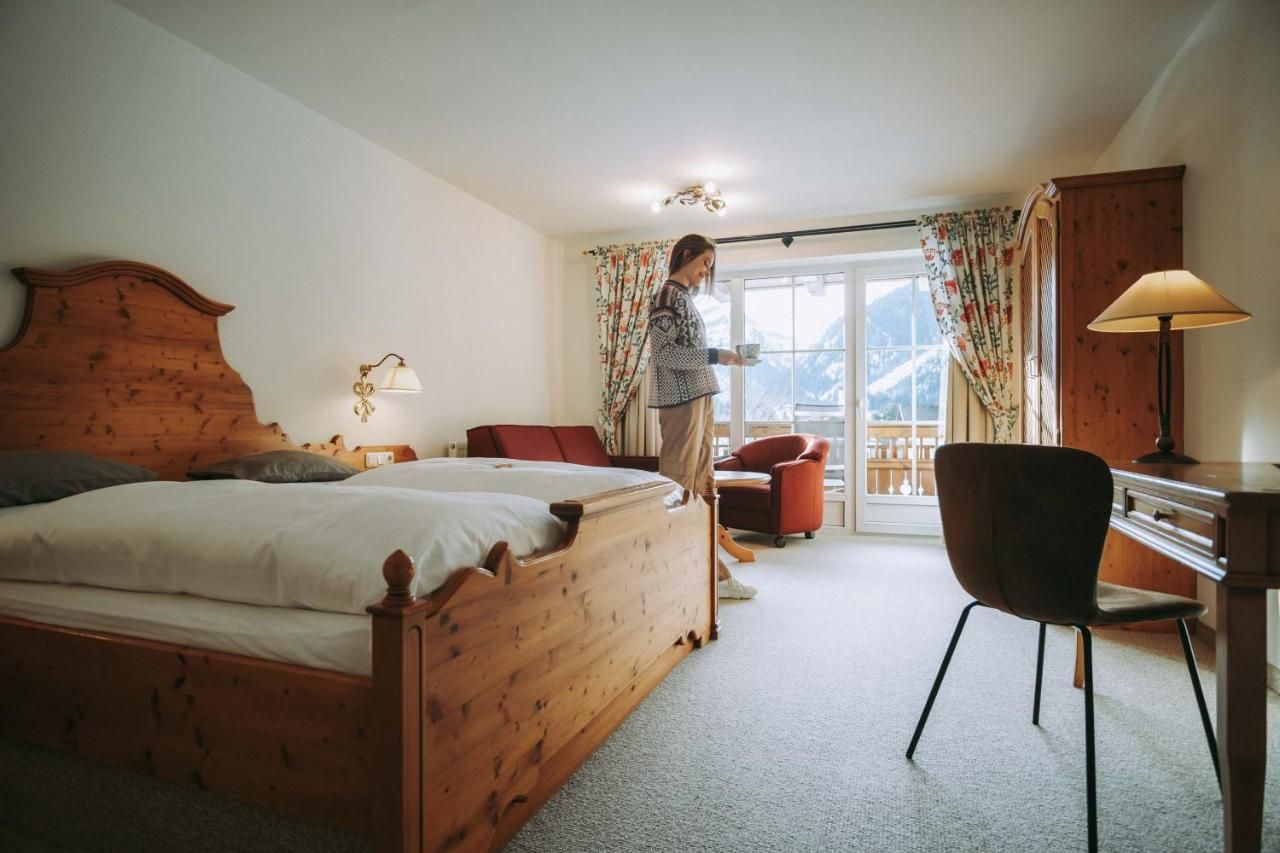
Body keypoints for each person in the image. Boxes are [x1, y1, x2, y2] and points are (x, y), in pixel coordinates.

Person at [648, 233, 757, 600]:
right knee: (680, 485)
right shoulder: (667, 296)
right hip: (681, 401)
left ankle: (714, 575)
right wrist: (716, 355)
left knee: (702, 486)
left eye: (710, 266)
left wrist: (722, 358)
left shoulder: (683, 299)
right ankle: (672, 572)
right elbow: (664, 355)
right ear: (686, 255)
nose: (706, 272)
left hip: (699, 396)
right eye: (705, 263)